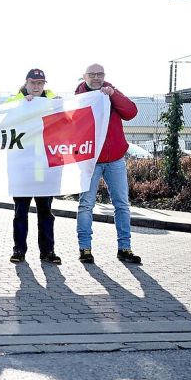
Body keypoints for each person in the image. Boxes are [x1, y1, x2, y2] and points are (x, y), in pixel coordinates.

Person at [75, 63, 141, 264]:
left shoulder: (111, 92)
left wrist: (113, 94)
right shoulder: (79, 98)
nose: (96, 78)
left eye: (100, 74)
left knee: (122, 205)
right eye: (92, 74)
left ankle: (125, 248)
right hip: (91, 161)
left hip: (115, 160)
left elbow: (131, 112)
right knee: (86, 205)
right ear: (84, 76)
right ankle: (85, 248)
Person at [7, 68, 61, 265]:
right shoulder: (15, 101)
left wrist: (59, 104)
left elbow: (69, 120)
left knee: (46, 212)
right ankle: (19, 250)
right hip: (22, 168)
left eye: (40, 83)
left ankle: (48, 251)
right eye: (33, 83)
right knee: (20, 212)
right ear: (26, 83)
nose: (36, 87)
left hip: (46, 167)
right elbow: (1, 119)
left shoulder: (54, 101)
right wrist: (20, 105)